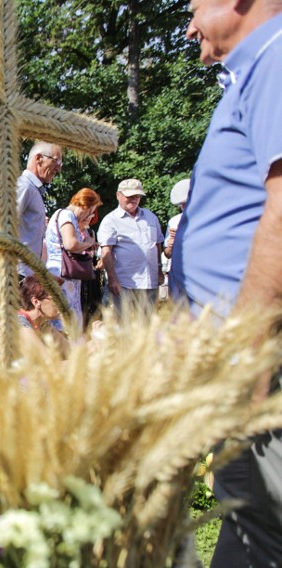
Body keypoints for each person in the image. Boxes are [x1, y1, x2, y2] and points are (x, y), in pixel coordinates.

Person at [171, 3, 282, 565]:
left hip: (258, 360)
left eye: (193, 7)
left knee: (261, 526)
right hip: (240, 356)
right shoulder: (256, 71)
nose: (188, 25)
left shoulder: (276, 56)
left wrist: (249, 349)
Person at [98, 179, 165, 313]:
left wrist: (159, 270)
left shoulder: (151, 217)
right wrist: (112, 279)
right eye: (130, 196)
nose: (134, 200)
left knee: (148, 327)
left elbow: (157, 245)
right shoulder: (110, 220)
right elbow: (106, 252)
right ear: (118, 195)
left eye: (137, 196)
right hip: (124, 284)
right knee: (125, 327)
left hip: (150, 281)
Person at [44, 188, 102, 325]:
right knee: (66, 320)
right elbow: (70, 244)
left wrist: (85, 246)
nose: (90, 215)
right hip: (63, 274)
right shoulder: (67, 215)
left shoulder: (62, 215)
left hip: (62, 273)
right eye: (90, 211)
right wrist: (87, 242)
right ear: (84, 205)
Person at [17, 141, 63, 277]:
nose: (58, 169)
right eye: (56, 161)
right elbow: (2, 225)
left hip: (25, 274)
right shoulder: (24, 186)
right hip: (16, 273)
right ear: (39, 159)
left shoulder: (33, 189)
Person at [17, 275, 70, 357]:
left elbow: (71, 351)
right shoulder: (21, 324)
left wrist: (95, 340)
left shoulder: (42, 323)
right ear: (36, 302)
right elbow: (49, 366)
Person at [163, 178, 190, 260]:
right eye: (182, 204)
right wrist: (171, 245)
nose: (184, 207)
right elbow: (167, 254)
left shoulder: (210, 219)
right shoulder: (174, 221)